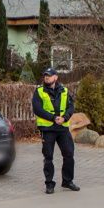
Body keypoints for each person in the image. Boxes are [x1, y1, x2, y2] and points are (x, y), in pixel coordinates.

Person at [32, 67, 80, 195]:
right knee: (48, 157)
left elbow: (71, 106)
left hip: (62, 128)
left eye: (49, 75)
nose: (46, 77)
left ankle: (67, 181)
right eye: (45, 75)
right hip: (48, 129)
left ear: (56, 77)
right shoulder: (39, 91)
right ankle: (49, 183)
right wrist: (53, 118)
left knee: (69, 154)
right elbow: (37, 109)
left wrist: (65, 117)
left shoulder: (64, 91)